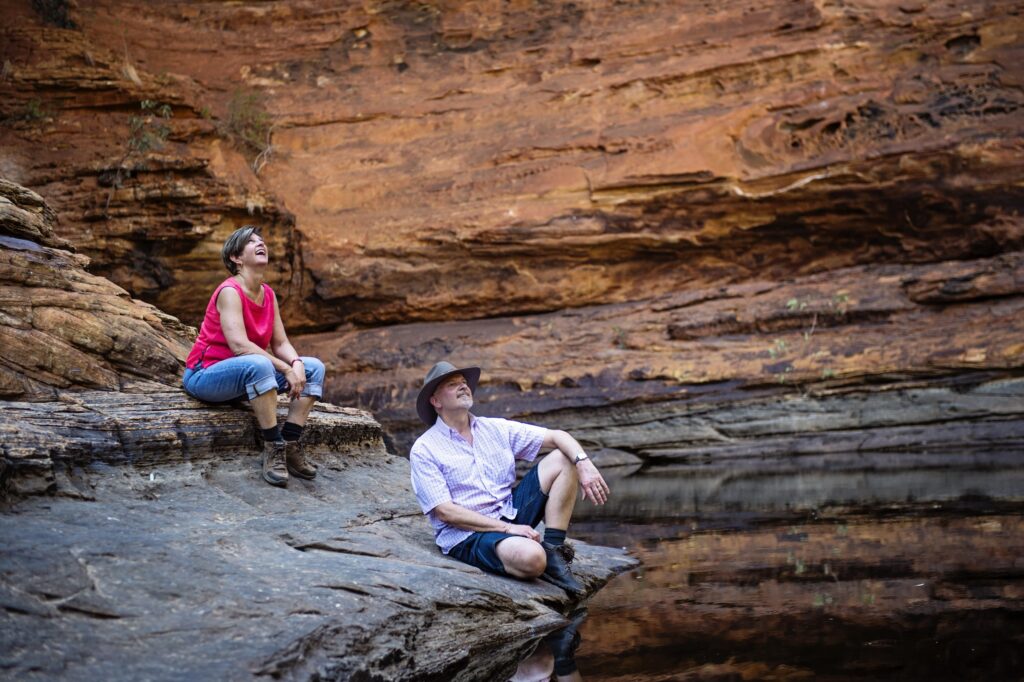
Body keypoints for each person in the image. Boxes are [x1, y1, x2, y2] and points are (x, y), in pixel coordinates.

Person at [409, 361, 611, 596]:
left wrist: (584, 463)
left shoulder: (495, 428)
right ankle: (538, 557)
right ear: (436, 401)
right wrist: (507, 529)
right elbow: (445, 512)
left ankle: (554, 550)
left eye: (464, 382)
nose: (463, 387)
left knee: (564, 458)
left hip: (509, 511)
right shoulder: (425, 448)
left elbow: (557, 436)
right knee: (533, 559)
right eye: (452, 385)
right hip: (468, 534)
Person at [182, 225, 325, 488]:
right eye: (251, 242)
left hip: (244, 377)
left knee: (314, 367)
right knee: (258, 363)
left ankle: (291, 442)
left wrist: (296, 364)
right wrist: (285, 369)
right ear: (236, 258)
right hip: (206, 376)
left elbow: (280, 341)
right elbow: (239, 345)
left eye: (262, 240)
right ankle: (273, 446)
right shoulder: (229, 292)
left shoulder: (268, 293)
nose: (261, 244)